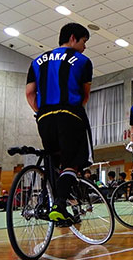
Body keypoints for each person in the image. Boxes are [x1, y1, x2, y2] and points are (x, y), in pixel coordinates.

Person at [26, 23, 93, 225]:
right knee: (73, 162)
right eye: (84, 42)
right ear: (73, 38)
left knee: (55, 161)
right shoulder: (83, 61)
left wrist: (41, 112)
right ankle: (60, 204)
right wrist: (72, 112)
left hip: (44, 117)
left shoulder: (37, 61)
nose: (84, 47)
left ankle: (47, 201)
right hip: (70, 114)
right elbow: (85, 95)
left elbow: (29, 93)